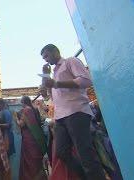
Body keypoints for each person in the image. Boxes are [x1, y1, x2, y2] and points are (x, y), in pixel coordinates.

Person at [40, 44, 106, 180]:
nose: (45, 59)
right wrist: (45, 75)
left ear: (55, 51)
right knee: (62, 152)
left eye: (46, 55)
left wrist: (57, 84)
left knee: (85, 153)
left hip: (76, 112)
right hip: (61, 117)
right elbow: (49, 92)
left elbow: (86, 80)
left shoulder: (70, 61)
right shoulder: (55, 72)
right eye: (43, 57)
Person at [16, 96, 48, 180]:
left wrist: (15, 117)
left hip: (28, 137)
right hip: (36, 138)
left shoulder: (26, 110)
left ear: (23, 102)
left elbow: (21, 124)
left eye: (21, 102)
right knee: (36, 161)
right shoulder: (34, 109)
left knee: (30, 161)